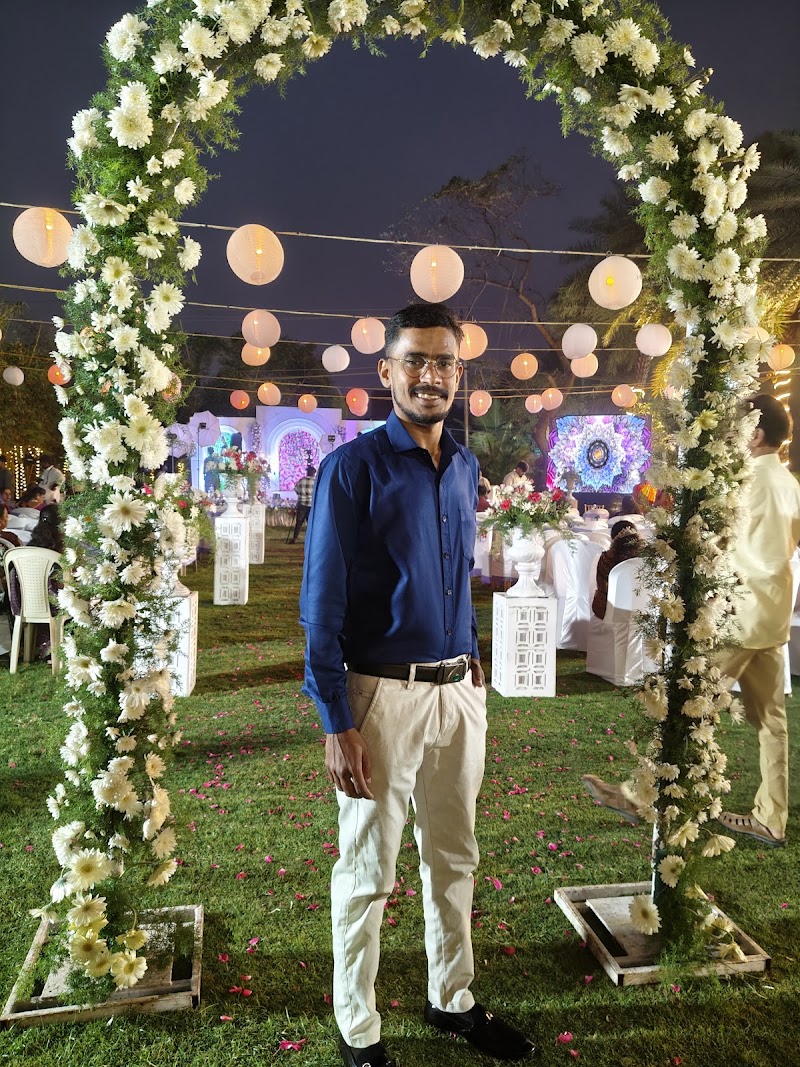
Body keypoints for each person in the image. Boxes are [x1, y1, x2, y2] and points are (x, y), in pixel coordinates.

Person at [300, 303, 535, 1067]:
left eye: (444, 363)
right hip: (381, 696)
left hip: (457, 692)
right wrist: (336, 719)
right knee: (368, 869)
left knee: (455, 855)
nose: (430, 376)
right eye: (416, 360)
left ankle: (452, 997)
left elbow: (456, 573)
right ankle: (358, 1028)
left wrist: (471, 653)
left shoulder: (463, 466)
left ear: (460, 374)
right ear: (387, 370)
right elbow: (322, 604)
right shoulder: (353, 468)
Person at [583, 395, 800, 848]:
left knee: (687, 703)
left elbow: (715, 542)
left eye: (738, 429)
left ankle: (639, 796)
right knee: (772, 722)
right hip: (773, 616)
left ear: (756, 434)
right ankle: (772, 817)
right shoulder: (789, 482)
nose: (733, 437)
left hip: (739, 615)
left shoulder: (746, 483)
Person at [591, 520, 642, 620]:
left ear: (613, 539)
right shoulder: (646, 558)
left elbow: (602, 586)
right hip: (642, 610)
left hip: (609, 611)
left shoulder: (606, 559)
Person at [291, 465, 316, 544]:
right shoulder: (316, 482)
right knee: (310, 523)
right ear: (314, 473)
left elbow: (296, 490)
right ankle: (311, 539)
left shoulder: (301, 481)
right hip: (311, 505)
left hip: (302, 503)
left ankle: (295, 538)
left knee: (299, 522)